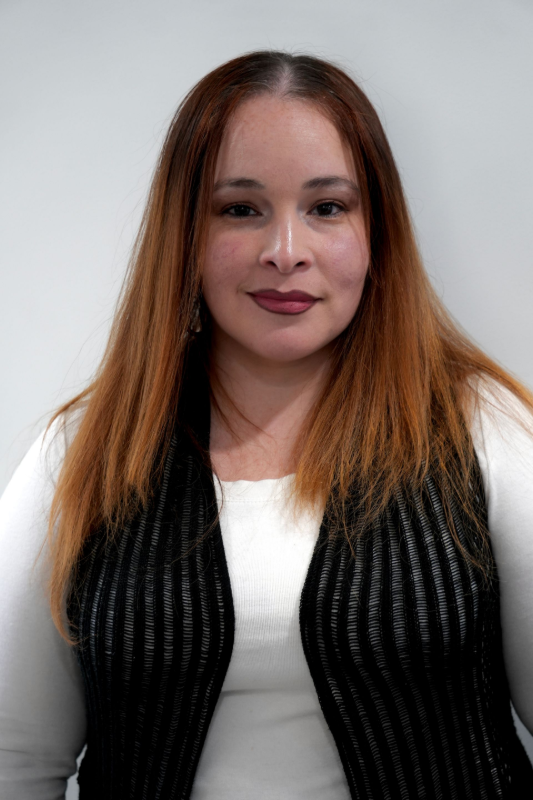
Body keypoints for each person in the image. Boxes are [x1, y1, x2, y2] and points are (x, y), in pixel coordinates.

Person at [0, 50, 532, 800]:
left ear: (375, 232)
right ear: (184, 234)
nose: (286, 253)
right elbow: (15, 761)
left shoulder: (480, 429)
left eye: (326, 207)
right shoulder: (83, 453)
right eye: (239, 209)